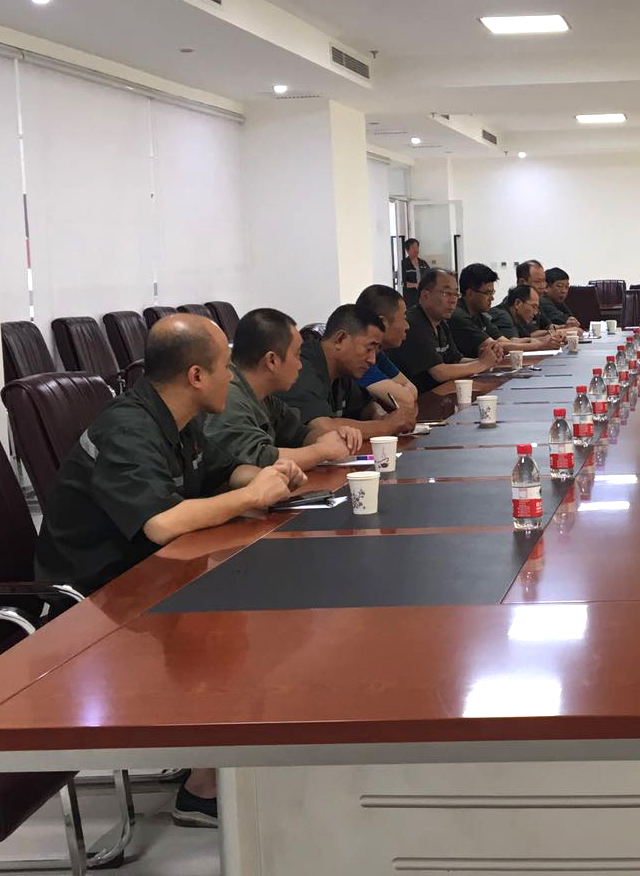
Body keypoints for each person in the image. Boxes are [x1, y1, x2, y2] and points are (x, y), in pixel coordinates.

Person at [34, 314, 305, 829]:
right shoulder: (128, 429)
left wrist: (268, 474)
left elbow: (223, 469)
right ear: (196, 376)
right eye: (225, 367)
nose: (233, 378)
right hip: (95, 600)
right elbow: (161, 523)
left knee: (258, 598)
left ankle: (208, 751)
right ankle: (203, 789)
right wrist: (250, 496)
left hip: (146, 575)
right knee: (236, 626)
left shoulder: (179, 418)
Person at [204, 308, 364, 468]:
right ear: (272, 360)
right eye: (297, 355)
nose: (300, 365)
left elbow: (300, 435)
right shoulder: (228, 397)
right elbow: (258, 458)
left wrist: (335, 437)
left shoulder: (265, 397)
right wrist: (321, 451)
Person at [280, 303, 414, 438]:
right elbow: (322, 428)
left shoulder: (343, 370)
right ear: (340, 339)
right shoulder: (301, 368)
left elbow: (365, 408)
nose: (372, 360)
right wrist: (387, 426)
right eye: (369, 349)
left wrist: (380, 416)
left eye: (376, 351)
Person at [392, 268, 498, 392]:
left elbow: (456, 360)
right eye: (446, 293)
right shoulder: (414, 323)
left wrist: (487, 358)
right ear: (425, 295)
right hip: (420, 398)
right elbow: (439, 372)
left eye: (455, 294)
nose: (453, 300)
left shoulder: (441, 323)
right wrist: (482, 364)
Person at [355, 284, 421, 426]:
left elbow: (412, 389)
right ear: (382, 322)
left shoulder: (377, 354)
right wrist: (400, 392)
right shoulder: (359, 358)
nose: (407, 326)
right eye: (403, 318)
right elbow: (406, 400)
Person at [450, 263, 541, 358]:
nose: (492, 298)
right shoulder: (459, 316)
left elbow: (503, 341)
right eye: (487, 293)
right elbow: (496, 347)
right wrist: (538, 345)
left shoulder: (479, 315)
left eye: (492, 293)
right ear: (470, 293)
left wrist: (532, 341)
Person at [516, 259, 563, 336]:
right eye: (538, 281)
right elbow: (530, 335)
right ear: (522, 282)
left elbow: (549, 326)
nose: (543, 286)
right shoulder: (517, 304)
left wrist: (567, 326)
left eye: (544, 281)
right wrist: (564, 331)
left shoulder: (537, 301)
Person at [400, 238, 429, 308]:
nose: (416, 250)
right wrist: (416, 285)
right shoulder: (403, 264)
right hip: (410, 298)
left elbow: (430, 276)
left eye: (417, 247)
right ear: (407, 250)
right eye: (413, 248)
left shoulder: (423, 263)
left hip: (423, 296)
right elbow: (402, 282)